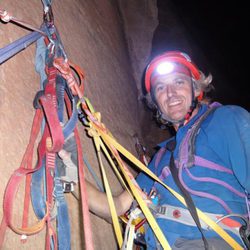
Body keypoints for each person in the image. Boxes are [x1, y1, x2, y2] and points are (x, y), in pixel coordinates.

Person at [86, 51, 250, 249]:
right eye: (161, 87)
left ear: (196, 89)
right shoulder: (160, 158)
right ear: (156, 102)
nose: (171, 93)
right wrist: (70, 174)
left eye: (179, 82)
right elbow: (118, 207)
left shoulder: (226, 120)